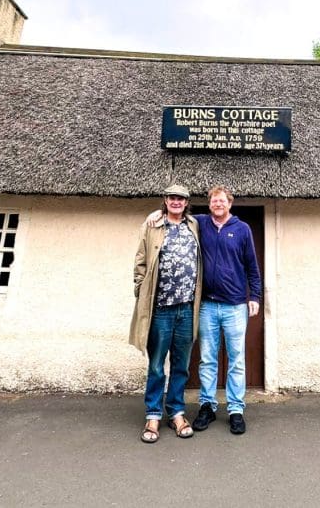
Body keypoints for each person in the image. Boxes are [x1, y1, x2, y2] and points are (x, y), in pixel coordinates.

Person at [146, 184, 262, 435]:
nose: (218, 204)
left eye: (222, 201)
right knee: (208, 360)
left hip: (234, 306)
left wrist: (255, 295)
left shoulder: (242, 230)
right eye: (213, 201)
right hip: (207, 305)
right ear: (208, 204)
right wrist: (156, 215)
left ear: (230, 203)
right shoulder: (199, 224)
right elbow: (174, 216)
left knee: (237, 360)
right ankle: (207, 406)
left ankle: (235, 409)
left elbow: (252, 266)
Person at [128, 183, 203, 444]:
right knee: (158, 366)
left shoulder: (194, 225)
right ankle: (153, 415)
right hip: (161, 309)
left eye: (181, 199)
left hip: (186, 308)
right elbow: (140, 260)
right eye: (172, 198)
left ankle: (177, 412)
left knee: (181, 366)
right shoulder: (153, 226)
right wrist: (141, 288)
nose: (176, 202)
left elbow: (219, 218)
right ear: (165, 200)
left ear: (186, 203)